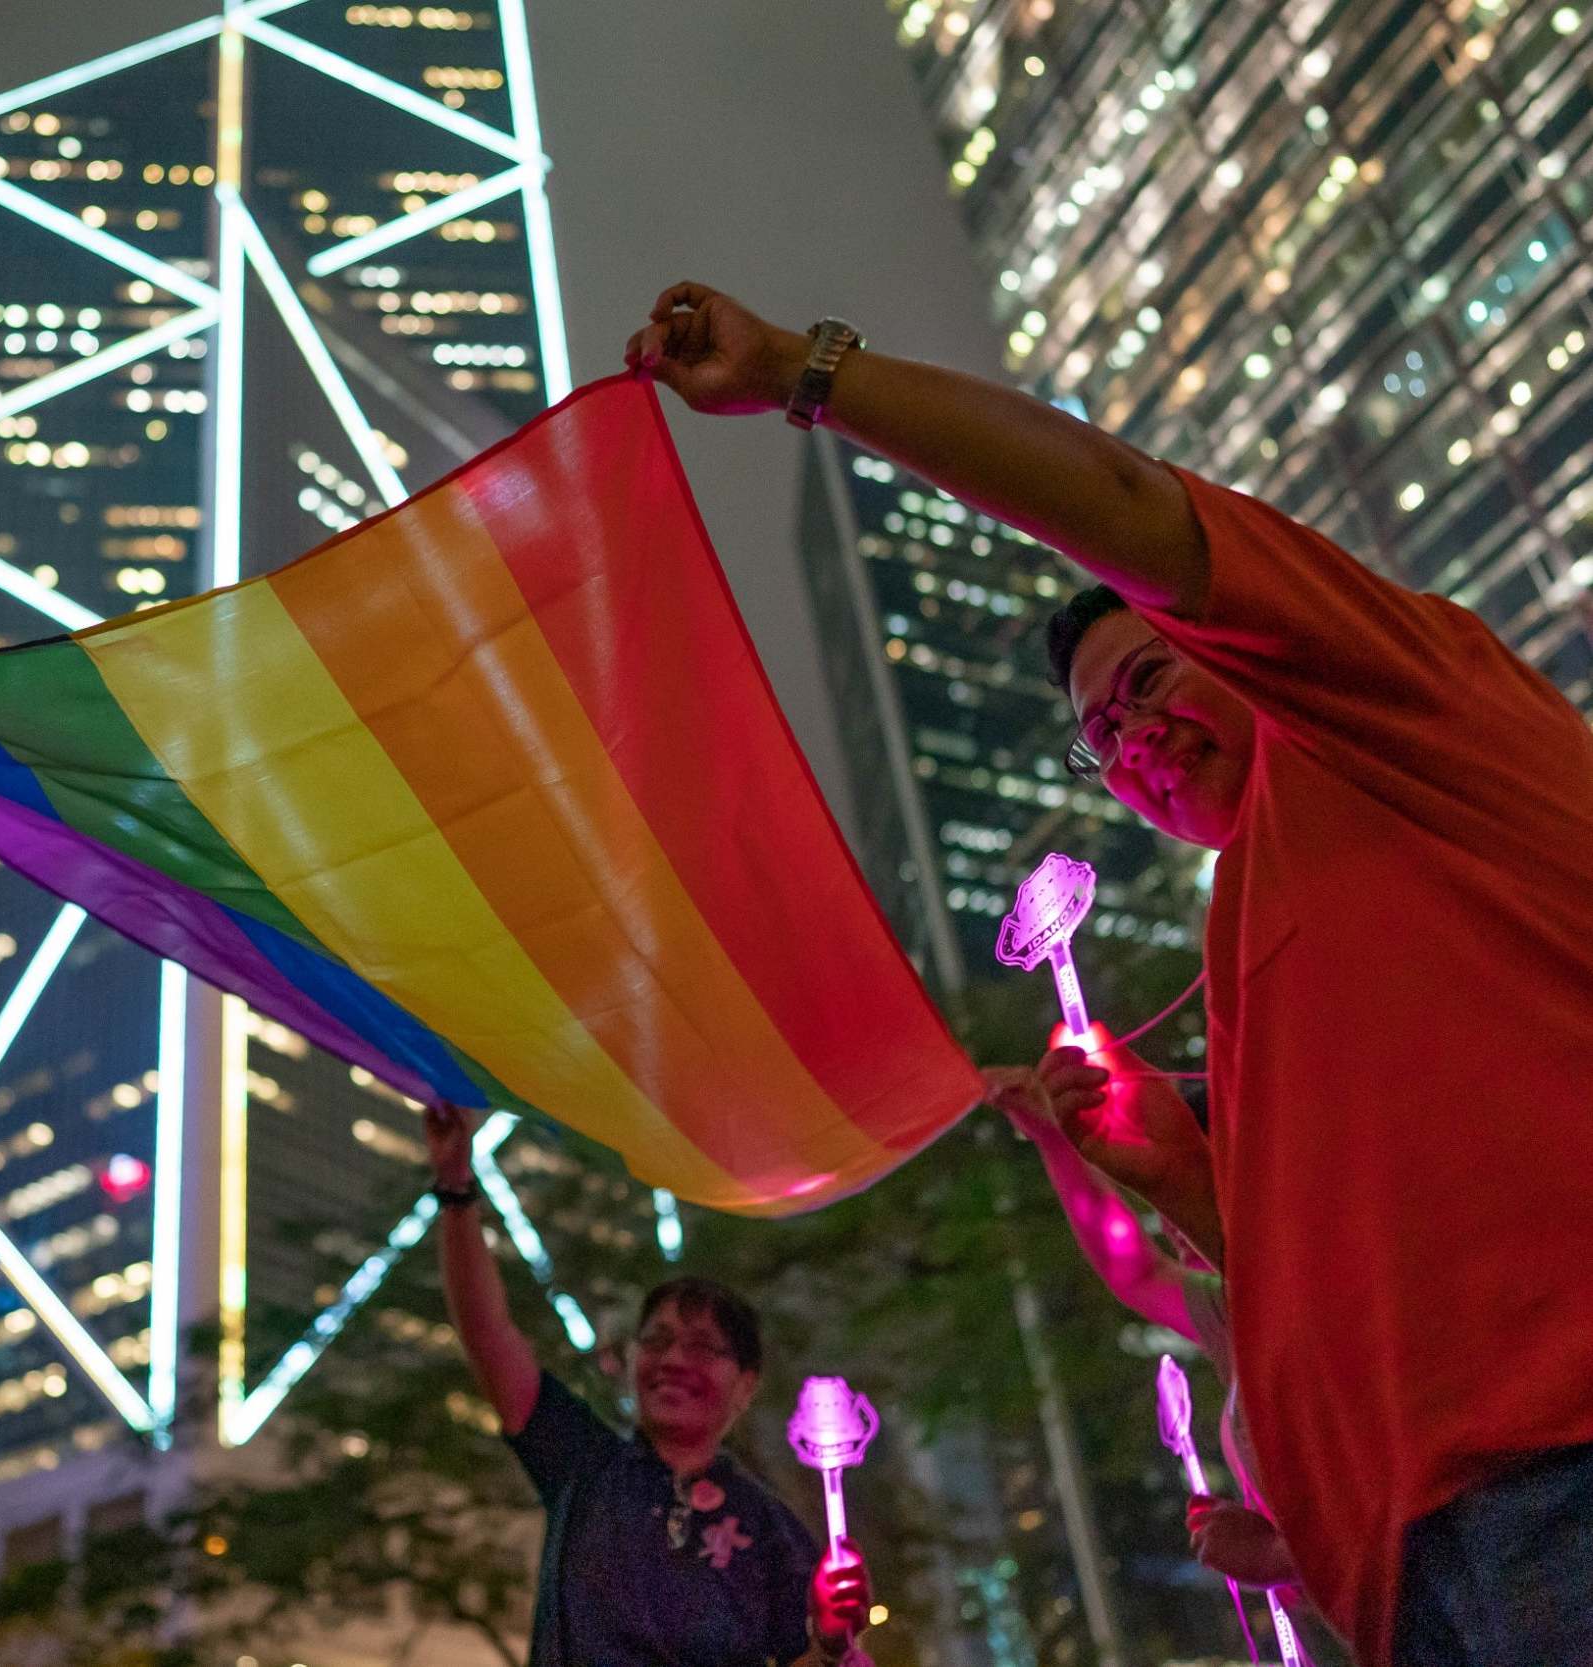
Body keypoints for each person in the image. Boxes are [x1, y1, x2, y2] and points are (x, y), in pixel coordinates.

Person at [628, 282, 1593, 1667]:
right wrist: (1180, 1179)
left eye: (1146, 684)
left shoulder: (1399, 711)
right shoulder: (1251, 921)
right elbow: (1327, 1260)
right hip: (1419, 1567)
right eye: (1099, 737)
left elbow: (1126, 503)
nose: (1129, 741)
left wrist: (803, 370)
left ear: (1239, 641)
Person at [425, 1104, 874, 1666]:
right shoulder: (581, 1463)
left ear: (746, 1386)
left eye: (705, 1348)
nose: (674, 1361)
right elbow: (488, 1333)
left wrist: (833, 1641)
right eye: (657, 1342)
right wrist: (455, 1189)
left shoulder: (773, 1532)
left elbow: (809, 1658)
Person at [986, 1050, 1301, 1593]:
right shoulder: (1231, 1313)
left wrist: (1281, 1555)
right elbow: (1131, 1269)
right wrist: (1054, 1138)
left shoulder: (1320, 1293)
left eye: (1188, 1182)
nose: (1173, 1226)